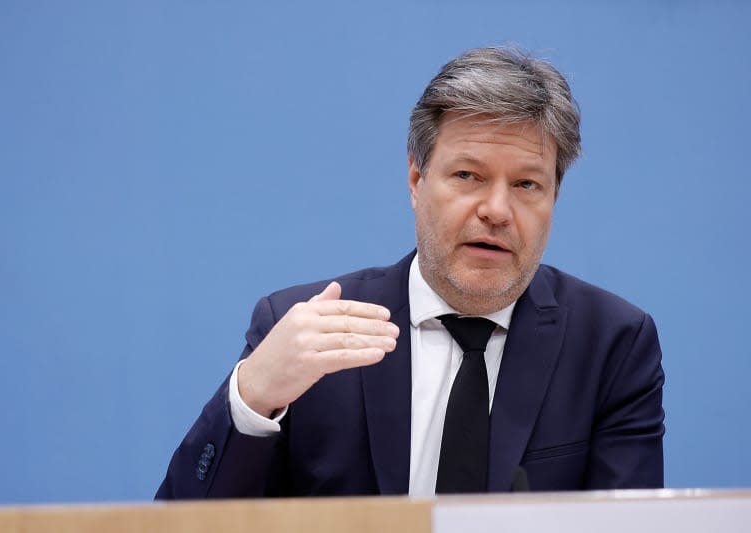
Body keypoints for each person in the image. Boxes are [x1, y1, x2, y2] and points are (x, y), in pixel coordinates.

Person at [155, 47, 665, 499]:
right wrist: (253, 398)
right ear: (417, 180)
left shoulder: (611, 344)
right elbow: (179, 522)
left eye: (527, 184)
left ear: (554, 197)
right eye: (468, 175)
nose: (496, 209)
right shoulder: (306, 327)